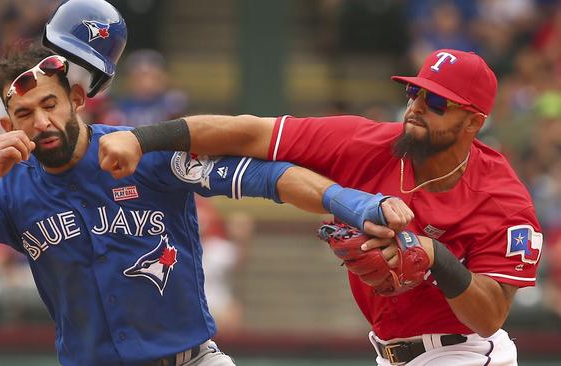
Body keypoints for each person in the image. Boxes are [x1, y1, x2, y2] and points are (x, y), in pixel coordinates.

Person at [0, 39, 416, 365]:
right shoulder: (4, 190)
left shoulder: (139, 149)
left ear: (78, 102)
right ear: (7, 126)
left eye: (50, 104)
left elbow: (269, 177)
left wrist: (355, 204)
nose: (40, 122)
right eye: (23, 113)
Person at [101, 49, 543, 365]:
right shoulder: (366, 143)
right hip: (391, 352)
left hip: (464, 352)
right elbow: (249, 133)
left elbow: (490, 317)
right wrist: (142, 138)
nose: (417, 107)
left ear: (473, 122)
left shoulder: (501, 198)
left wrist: (435, 257)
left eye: (438, 102)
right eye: (414, 93)